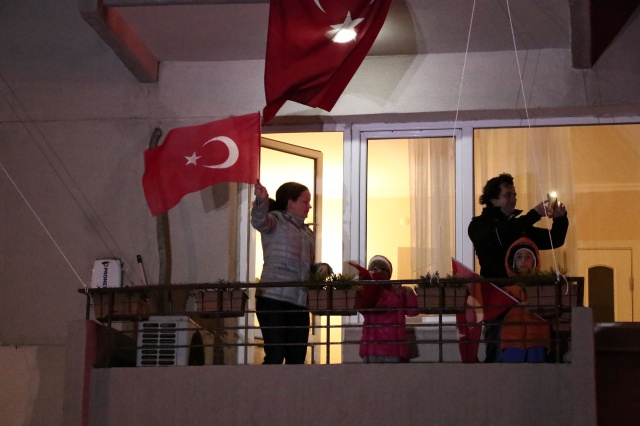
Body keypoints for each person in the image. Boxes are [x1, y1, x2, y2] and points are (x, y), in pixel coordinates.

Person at [468, 173, 568, 362]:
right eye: (508, 195)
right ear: (493, 200)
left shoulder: (519, 226)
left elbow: (554, 239)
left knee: (531, 347)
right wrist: (534, 214)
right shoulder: (479, 226)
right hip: (496, 300)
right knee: (497, 351)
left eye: (514, 195)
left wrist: (560, 219)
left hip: (525, 299)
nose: (514, 199)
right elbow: (500, 235)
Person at [251, 181, 315, 364]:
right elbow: (259, 221)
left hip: (299, 302)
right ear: (290, 202)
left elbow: (307, 267)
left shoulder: (307, 232)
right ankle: (269, 384)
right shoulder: (276, 220)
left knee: (297, 359)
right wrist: (261, 200)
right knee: (275, 354)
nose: (309, 206)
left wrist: (320, 269)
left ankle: (291, 386)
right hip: (272, 299)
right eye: (305, 201)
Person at [350, 256, 419, 363]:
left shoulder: (397, 290)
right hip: (372, 348)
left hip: (393, 348)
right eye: (374, 269)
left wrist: (409, 293)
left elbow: (413, 311)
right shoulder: (367, 290)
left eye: (383, 269)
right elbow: (367, 307)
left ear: (389, 274)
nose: (379, 272)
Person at [499, 238, 550, 363]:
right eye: (519, 257)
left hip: (537, 340)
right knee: (512, 373)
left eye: (528, 257)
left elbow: (551, 311)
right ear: (513, 262)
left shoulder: (542, 288)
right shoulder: (506, 290)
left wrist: (535, 306)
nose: (523, 261)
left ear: (534, 261)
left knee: (536, 373)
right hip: (512, 342)